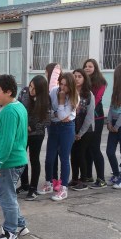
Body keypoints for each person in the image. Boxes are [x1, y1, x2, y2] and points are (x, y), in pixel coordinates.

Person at [0, 75, 29, 239]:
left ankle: (10, 233)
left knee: (6, 197)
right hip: (15, 160)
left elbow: (8, 140)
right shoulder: (18, 106)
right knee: (9, 194)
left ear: (9, 92)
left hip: (8, 162)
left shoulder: (9, 111)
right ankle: (20, 225)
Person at [45, 72, 79, 201]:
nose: (62, 88)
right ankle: (48, 183)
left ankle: (64, 188)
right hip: (54, 126)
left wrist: (61, 101)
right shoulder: (54, 91)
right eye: (61, 84)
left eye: (66, 85)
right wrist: (56, 114)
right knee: (49, 157)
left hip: (67, 127)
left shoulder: (75, 96)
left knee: (64, 158)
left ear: (71, 86)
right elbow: (49, 112)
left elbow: (63, 116)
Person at [17, 75, 49, 201]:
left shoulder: (45, 99)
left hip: (36, 134)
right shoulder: (24, 92)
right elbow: (17, 107)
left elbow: (46, 119)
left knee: (34, 159)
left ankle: (33, 188)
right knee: (21, 158)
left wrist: (32, 127)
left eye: (34, 89)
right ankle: (24, 184)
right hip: (22, 132)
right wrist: (22, 125)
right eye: (30, 86)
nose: (31, 90)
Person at [84, 58, 108, 189]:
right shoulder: (83, 81)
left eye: (90, 66)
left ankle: (101, 179)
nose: (87, 68)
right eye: (86, 66)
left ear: (95, 68)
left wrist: (85, 109)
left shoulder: (101, 82)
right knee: (86, 148)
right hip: (83, 119)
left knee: (95, 148)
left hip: (96, 119)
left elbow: (96, 99)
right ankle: (88, 175)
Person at [69, 69, 95, 191]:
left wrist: (80, 133)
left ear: (84, 79)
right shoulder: (70, 92)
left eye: (80, 76)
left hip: (86, 130)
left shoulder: (88, 94)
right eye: (75, 76)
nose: (77, 78)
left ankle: (83, 180)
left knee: (81, 154)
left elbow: (90, 116)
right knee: (73, 155)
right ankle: (74, 178)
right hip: (71, 129)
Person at [40, 63, 62, 193]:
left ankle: (56, 180)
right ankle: (52, 179)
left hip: (60, 124)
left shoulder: (55, 87)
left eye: (46, 72)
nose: (45, 74)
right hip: (52, 124)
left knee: (58, 155)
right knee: (52, 155)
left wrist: (56, 70)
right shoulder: (49, 88)